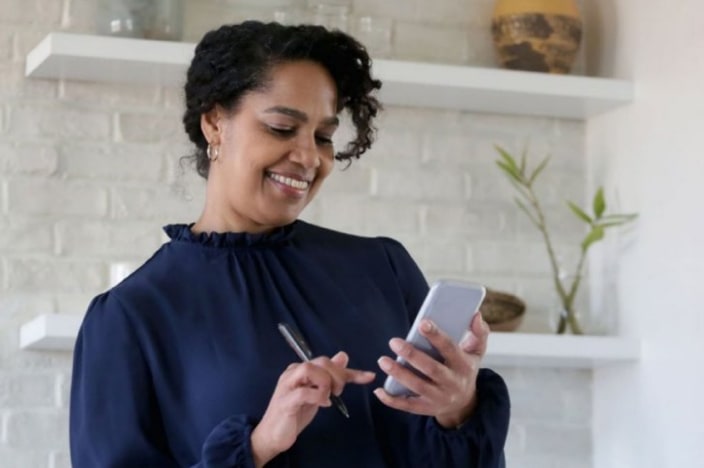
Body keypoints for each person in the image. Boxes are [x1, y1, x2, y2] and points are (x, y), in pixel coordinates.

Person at [69, 21, 510, 467]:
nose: (309, 157)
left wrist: (459, 408)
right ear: (214, 124)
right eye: (282, 128)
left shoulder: (383, 268)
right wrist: (259, 445)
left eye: (323, 137)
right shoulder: (132, 317)